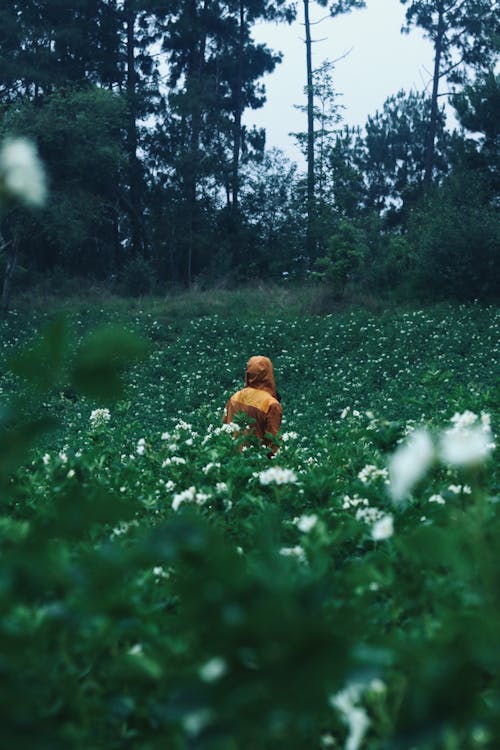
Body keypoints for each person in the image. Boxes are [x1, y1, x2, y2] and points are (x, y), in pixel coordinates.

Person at [223, 355, 282, 455]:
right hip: (256, 461)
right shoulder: (271, 404)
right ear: (269, 374)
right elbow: (273, 442)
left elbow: (225, 426)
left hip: (232, 459)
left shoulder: (235, 397)